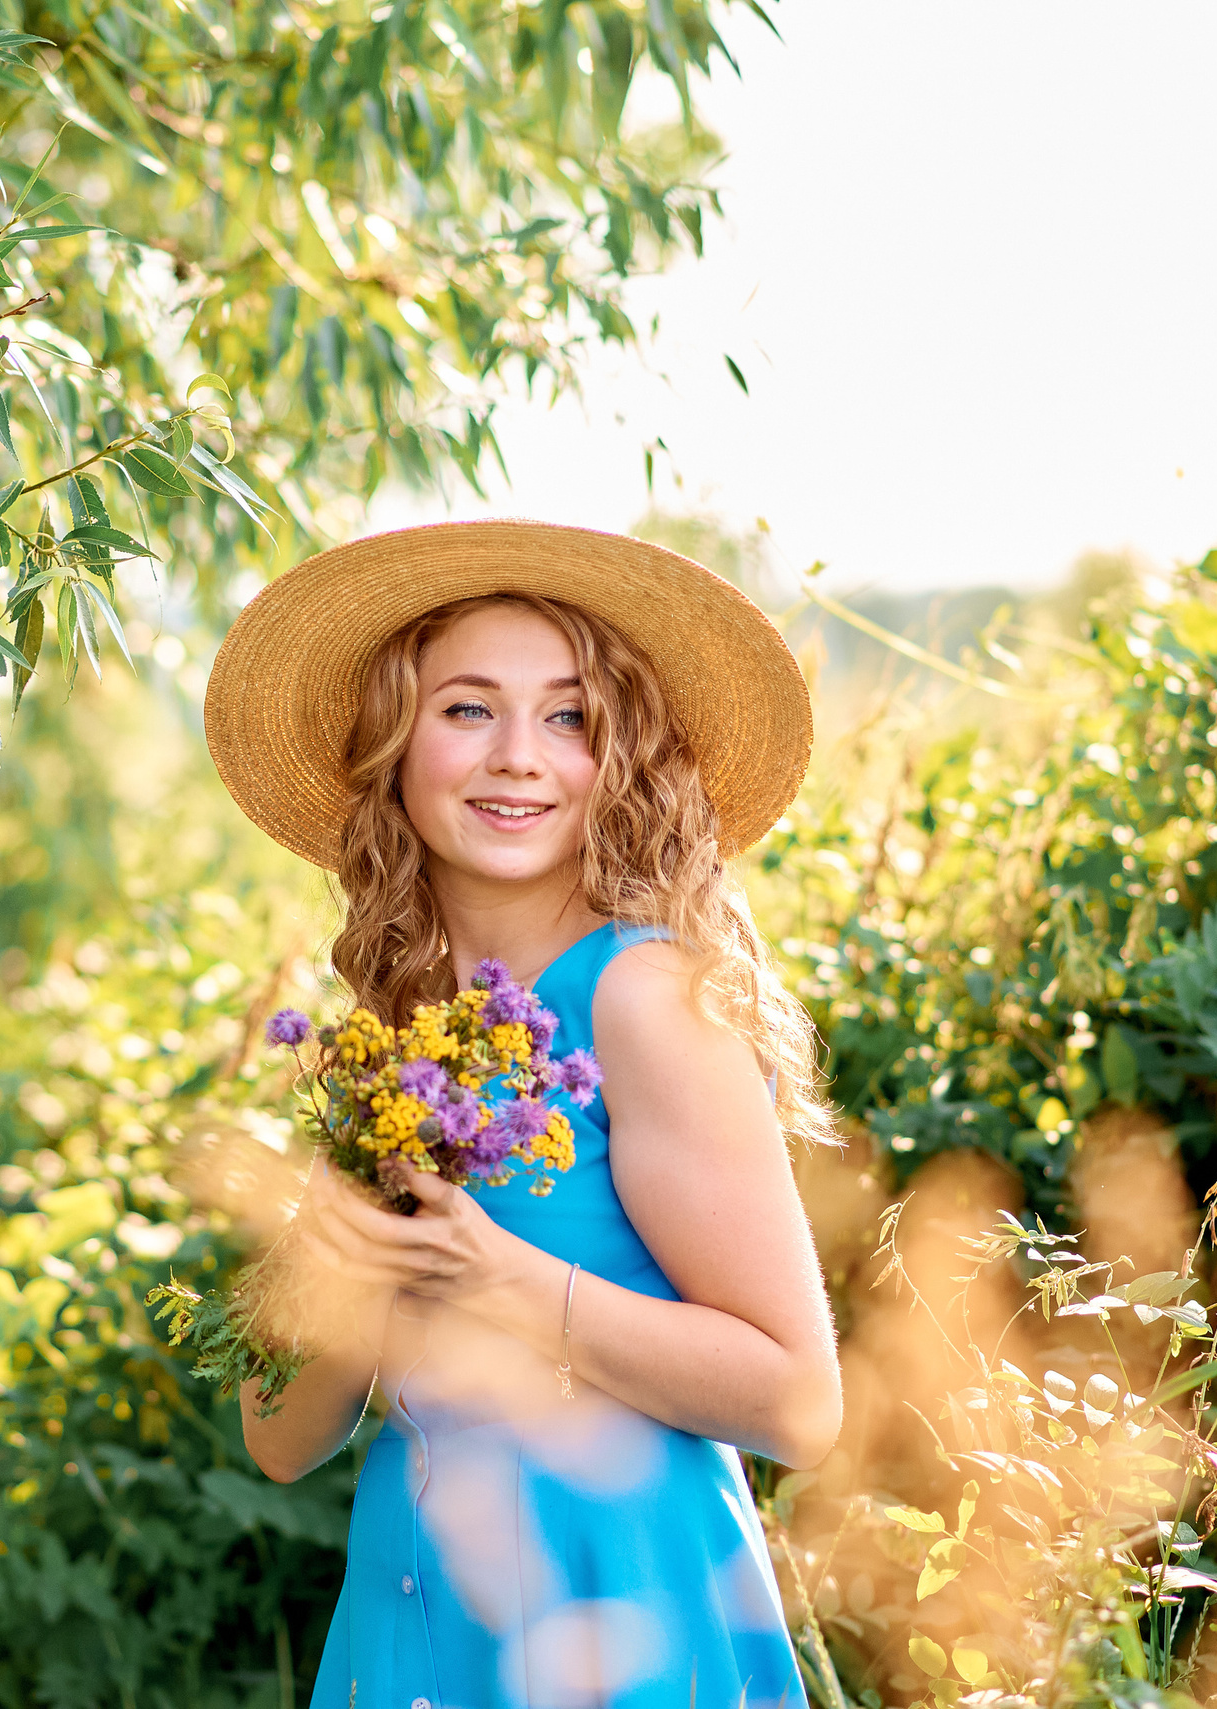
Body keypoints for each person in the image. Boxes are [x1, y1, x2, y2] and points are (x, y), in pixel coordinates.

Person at [199, 520, 843, 1709]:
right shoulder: (397, 1033)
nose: (517, 757)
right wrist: (344, 1268)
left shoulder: (641, 998)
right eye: (465, 709)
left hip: (623, 1616)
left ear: (622, 760)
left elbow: (798, 1401)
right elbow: (280, 1438)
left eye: (569, 717)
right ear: (393, 745)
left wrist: (495, 1276)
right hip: (417, 1610)